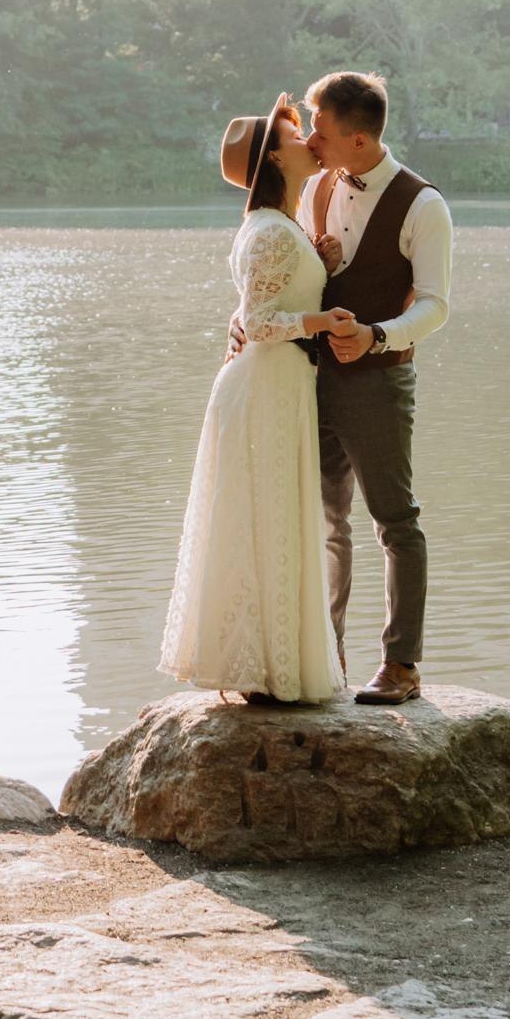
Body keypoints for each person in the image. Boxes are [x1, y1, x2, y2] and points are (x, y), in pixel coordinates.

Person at [158, 97, 362, 705]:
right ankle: (260, 667)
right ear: (276, 154)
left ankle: (276, 663)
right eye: (299, 136)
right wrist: (322, 317)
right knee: (260, 519)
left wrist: (319, 264)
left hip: (278, 388)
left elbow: (260, 302)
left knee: (275, 520)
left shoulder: (281, 225)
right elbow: (261, 319)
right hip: (264, 387)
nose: (311, 142)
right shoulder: (272, 230)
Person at [298, 69, 453, 706]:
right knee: (325, 522)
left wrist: (378, 336)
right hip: (308, 379)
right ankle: (325, 652)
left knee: (396, 522)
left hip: (379, 383)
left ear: (358, 140)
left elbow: (437, 305)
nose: (311, 139)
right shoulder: (315, 186)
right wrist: (321, 260)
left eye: (321, 129)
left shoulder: (423, 204)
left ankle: (401, 664)